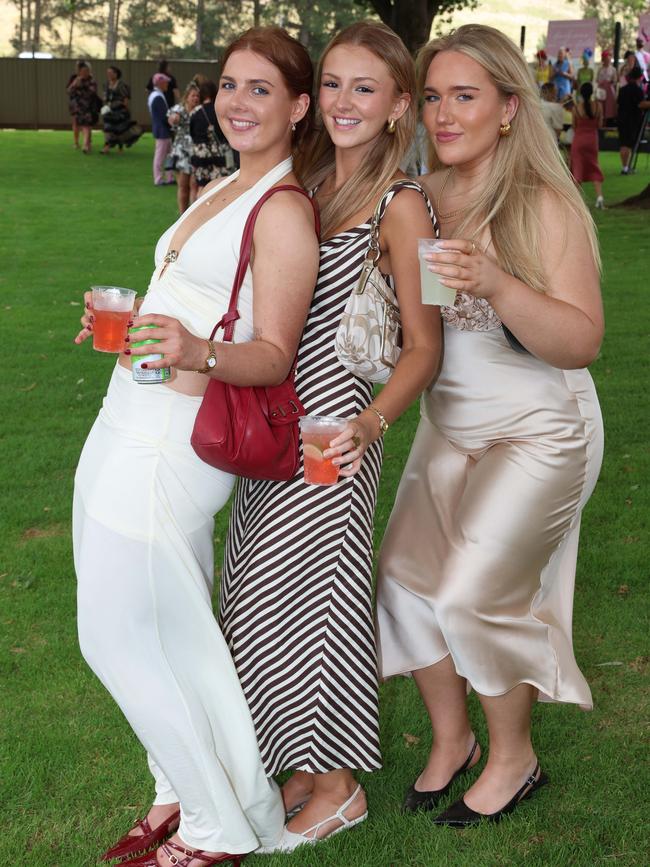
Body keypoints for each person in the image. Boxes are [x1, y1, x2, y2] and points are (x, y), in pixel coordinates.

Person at [72, 25, 320, 867]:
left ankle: (216, 831)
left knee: (113, 635)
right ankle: (185, 792)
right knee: (172, 633)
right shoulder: (226, 184)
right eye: (229, 86)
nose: (239, 103)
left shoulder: (284, 209)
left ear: (299, 106)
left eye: (262, 89)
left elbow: (273, 354)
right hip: (128, 413)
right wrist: (137, 326)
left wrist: (191, 351)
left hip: (172, 444)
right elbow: (196, 301)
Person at [220, 21, 440, 854]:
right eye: (336, 84)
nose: (345, 102)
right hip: (273, 420)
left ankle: (341, 785)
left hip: (337, 432)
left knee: (320, 602)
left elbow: (426, 346)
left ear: (396, 107)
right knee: (255, 595)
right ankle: (300, 767)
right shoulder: (308, 183)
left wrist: (370, 423)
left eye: (365, 88)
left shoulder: (402, 205)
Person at [376, 23, 604, 828]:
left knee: (473, 595)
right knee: (403, 581)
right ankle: (452, 741)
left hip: (541, 422)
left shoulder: (541, 200)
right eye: (433, 96)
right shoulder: (420, 194)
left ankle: (516, 757)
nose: (444, 113)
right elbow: (419, 329)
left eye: (465, 96)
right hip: (452, 416)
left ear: (509, 108)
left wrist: (500, 284)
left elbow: (582, 341)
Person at [189, 79, 232, 202]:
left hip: (200, 152)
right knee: (218, 186)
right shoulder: (220, 111)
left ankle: (196, 214)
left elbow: (191, 133)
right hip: (218, 152)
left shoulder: (195, 112)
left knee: (201, 185)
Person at [167, 80, 201, 213]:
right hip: (181, 152)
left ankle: (191, 215)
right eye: (193, 95)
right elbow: (172, 118)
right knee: (182, 185)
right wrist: (173, 118)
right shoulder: (179, 109)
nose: (196, 98)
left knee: (194, 185)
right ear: (187, 97)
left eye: (198, 96)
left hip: (196, 151)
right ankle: (182, 215)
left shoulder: (200, 111)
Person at [571, 82, 604, 208]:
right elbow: (600, 125)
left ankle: (577, 202)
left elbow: (574, 126)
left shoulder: (576, 108)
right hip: (592, 140)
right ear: (592, 92)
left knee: (577, 169)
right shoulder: (598, 106)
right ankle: (600, 197)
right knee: (594, 167)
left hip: (579, 140)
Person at [100, 65, 142, 154]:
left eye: (110, 73)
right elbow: (104, 97)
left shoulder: (122, 85)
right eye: (108, 73)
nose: (108, 74)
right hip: (108, 110)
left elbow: (126, 99)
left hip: (120, 110)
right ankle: (106, 147)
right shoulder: (106, 84)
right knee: (108, 127)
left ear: (116, 74)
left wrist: (124, 109)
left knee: (119, 129)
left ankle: (120, 148)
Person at [617, 66, 650, 174]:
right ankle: (626, 167)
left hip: (621, 118)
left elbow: (618, 104)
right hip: (631, 120)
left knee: (623, 143)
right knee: (628, 144)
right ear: (640, 77)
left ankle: (625, 166)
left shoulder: (622, 90)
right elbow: (641, 104)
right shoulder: (637, 90)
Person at [66, 61, 99, 154]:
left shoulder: (91, 80)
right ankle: (77, 142)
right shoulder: (74, 78)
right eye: (82, 71)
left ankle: (86, 144)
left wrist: (82, 86)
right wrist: (75, 83)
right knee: (76, 123)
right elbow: (69, 91)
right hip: (76, 106)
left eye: (86, 71)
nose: (84, 73)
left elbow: (92, 92)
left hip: (88, 106)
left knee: (86, 125)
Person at [148, 72, 174, 186]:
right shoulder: (157, 97)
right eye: (165, 82)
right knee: (160, 155)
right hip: (162, 130)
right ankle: (158, 179)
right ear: (160, 83)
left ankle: (169, 177)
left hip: (162, 130)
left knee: (168, 154)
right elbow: (163, 116)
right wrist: (171, 124)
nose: (167, 84)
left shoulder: (155, 95)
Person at [596, 50, 617, 125]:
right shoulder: (600, 69)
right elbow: (597, 80)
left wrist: (610, 82)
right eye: (606, 59)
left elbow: (615, 80)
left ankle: (609, 122)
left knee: (609, 107)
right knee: (601, 106)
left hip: (609, 90)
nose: (607, 61)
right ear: (603, 60)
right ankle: (601, 121)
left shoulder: (613, 69)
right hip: (601, 89)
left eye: (609, 59)